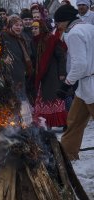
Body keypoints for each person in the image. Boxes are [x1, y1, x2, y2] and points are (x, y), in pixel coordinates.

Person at [54, 4, 94, 160]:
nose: (57, 25)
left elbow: (80, 64)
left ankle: (67, 153)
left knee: (74, 121)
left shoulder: (74, 34)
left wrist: (67, 84)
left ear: (65, 20)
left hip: (90, 85)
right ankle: (67, 154)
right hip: (84, 87)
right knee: (74, 121)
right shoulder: (90, 27)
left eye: (59, 22)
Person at [32, 21, 67, 128]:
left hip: (52, 76)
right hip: (41, 77)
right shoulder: (34, 41)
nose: (33, 31)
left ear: (41, 28)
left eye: (35, 28)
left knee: (55, 99)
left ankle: (64, 123)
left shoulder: (52, 40)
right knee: (42, 102)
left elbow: (61, 56)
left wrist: (61, 73)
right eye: (32, 29)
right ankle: (45, 124)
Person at [0, 15, 33, 127]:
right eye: (16, 25)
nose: (19, 27)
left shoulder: (21, 37)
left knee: (22, 99)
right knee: (12, 101)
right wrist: (3, 56)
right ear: (10, 25)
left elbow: (28, 54)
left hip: (20, 73)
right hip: (8, 75)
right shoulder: (3, 35)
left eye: (20, 25)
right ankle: (14, 126)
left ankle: (27, 125)